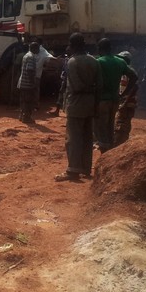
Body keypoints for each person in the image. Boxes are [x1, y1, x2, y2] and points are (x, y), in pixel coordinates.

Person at [56, 33, 102, 182]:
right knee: (87, 137)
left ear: (73, 45)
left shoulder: (72, 62)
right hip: (90, 104)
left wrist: (86, 89)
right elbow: (100, 85)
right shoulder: (94, 61)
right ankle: (86, 168)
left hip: (75, 104)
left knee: (73, 138)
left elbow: (76, 86)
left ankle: (73, 170)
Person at [94, 38, 137, 152]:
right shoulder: (120, 62)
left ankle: (104, 153)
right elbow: (134, 77)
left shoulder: (99, 62)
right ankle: (110, 151)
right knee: (109, 126)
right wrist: (124, 93)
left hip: (102, 100)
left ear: (100, 48)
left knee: (100, 127)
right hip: (115, 99)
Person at [113, 51, 139, 146]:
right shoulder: (124, 70)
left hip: (127, 102)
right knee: (120, 122)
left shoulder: (129, 71)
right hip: (125, 101)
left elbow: (134, 87)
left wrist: (125, 99)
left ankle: (119, 144)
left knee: (122, 123)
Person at [17, 42, 40, 123]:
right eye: (38, 48)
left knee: (23, 101)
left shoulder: (26, 55)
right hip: (27, 84)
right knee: (28, 101)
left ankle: (21, 116)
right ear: (34, 48)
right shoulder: (31, 57)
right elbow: (29, 70)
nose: (39, 50)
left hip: (22, 82)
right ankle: (27, 118)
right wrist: (33, 83)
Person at [33, 37, 58, 110]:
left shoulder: (41, 51)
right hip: (35, 74)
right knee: (34, 90)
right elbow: (50, 58)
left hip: (34, 74)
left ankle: (34, 105)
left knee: (33, 90)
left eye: (36, 42)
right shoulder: (38, 50)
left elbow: (50, 57)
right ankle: (34, 105)